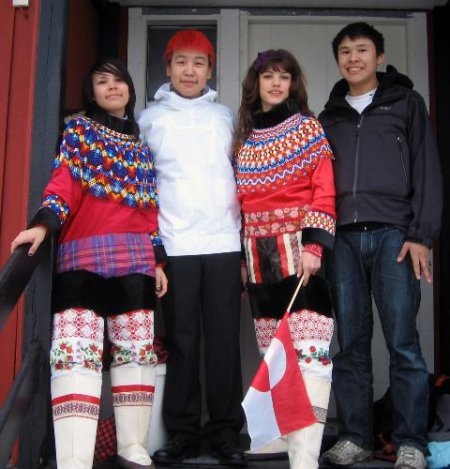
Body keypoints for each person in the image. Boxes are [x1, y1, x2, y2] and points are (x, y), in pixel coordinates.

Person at [11, 58, 167, 469]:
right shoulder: (79, 131)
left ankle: (133, 447)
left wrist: (158, 261)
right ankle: (74, 457)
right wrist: (43, 224)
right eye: (102, 81)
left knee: (137, 354)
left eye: (119, 80)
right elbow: (64, 182)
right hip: (83, 256)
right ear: (91, 92)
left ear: (130, 87)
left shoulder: (141, 148)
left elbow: (150, 210)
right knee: (75, 353)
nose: (112, 87)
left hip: (136, 258)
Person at [319, 22, 443, 469]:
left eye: (362, 50)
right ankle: (355, 436)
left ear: (380, 56)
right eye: (345, 52)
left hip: (395, 236)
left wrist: (420, 235)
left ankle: (411, 442)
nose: (353, 58)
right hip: (342, 240)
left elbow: (427, 170)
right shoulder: (328, 117)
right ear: (338, 60)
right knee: (350, 344)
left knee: (403, 343)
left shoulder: (406, 103)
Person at [138, 30, 246, 465]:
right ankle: (183, 432)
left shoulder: (225, 118)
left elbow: (242, 176)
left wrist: (245, 244)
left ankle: (225, 432)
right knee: (182, 340)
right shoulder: (149, 119)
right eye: (181, 61)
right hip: (175, 244)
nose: (189, 71)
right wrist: (153, 251)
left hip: (223, 241)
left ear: (209, 70)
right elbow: (142, 187)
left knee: (224, 340)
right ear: (167, 67)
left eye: (199, 63)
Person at [234, 49, 336, 469]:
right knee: (275, 353)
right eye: (268, 76)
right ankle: (281, 436)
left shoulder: (309, 129)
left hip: (299, 250)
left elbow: (324, 189)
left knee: (309, 353)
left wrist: (314, 247)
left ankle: (304, 456)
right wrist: (243, 260)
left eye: (284, 76)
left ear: (293, 84)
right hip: (258, 256)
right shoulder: (245, 140)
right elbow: (242, 204)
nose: (276, 83)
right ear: (256, 84)